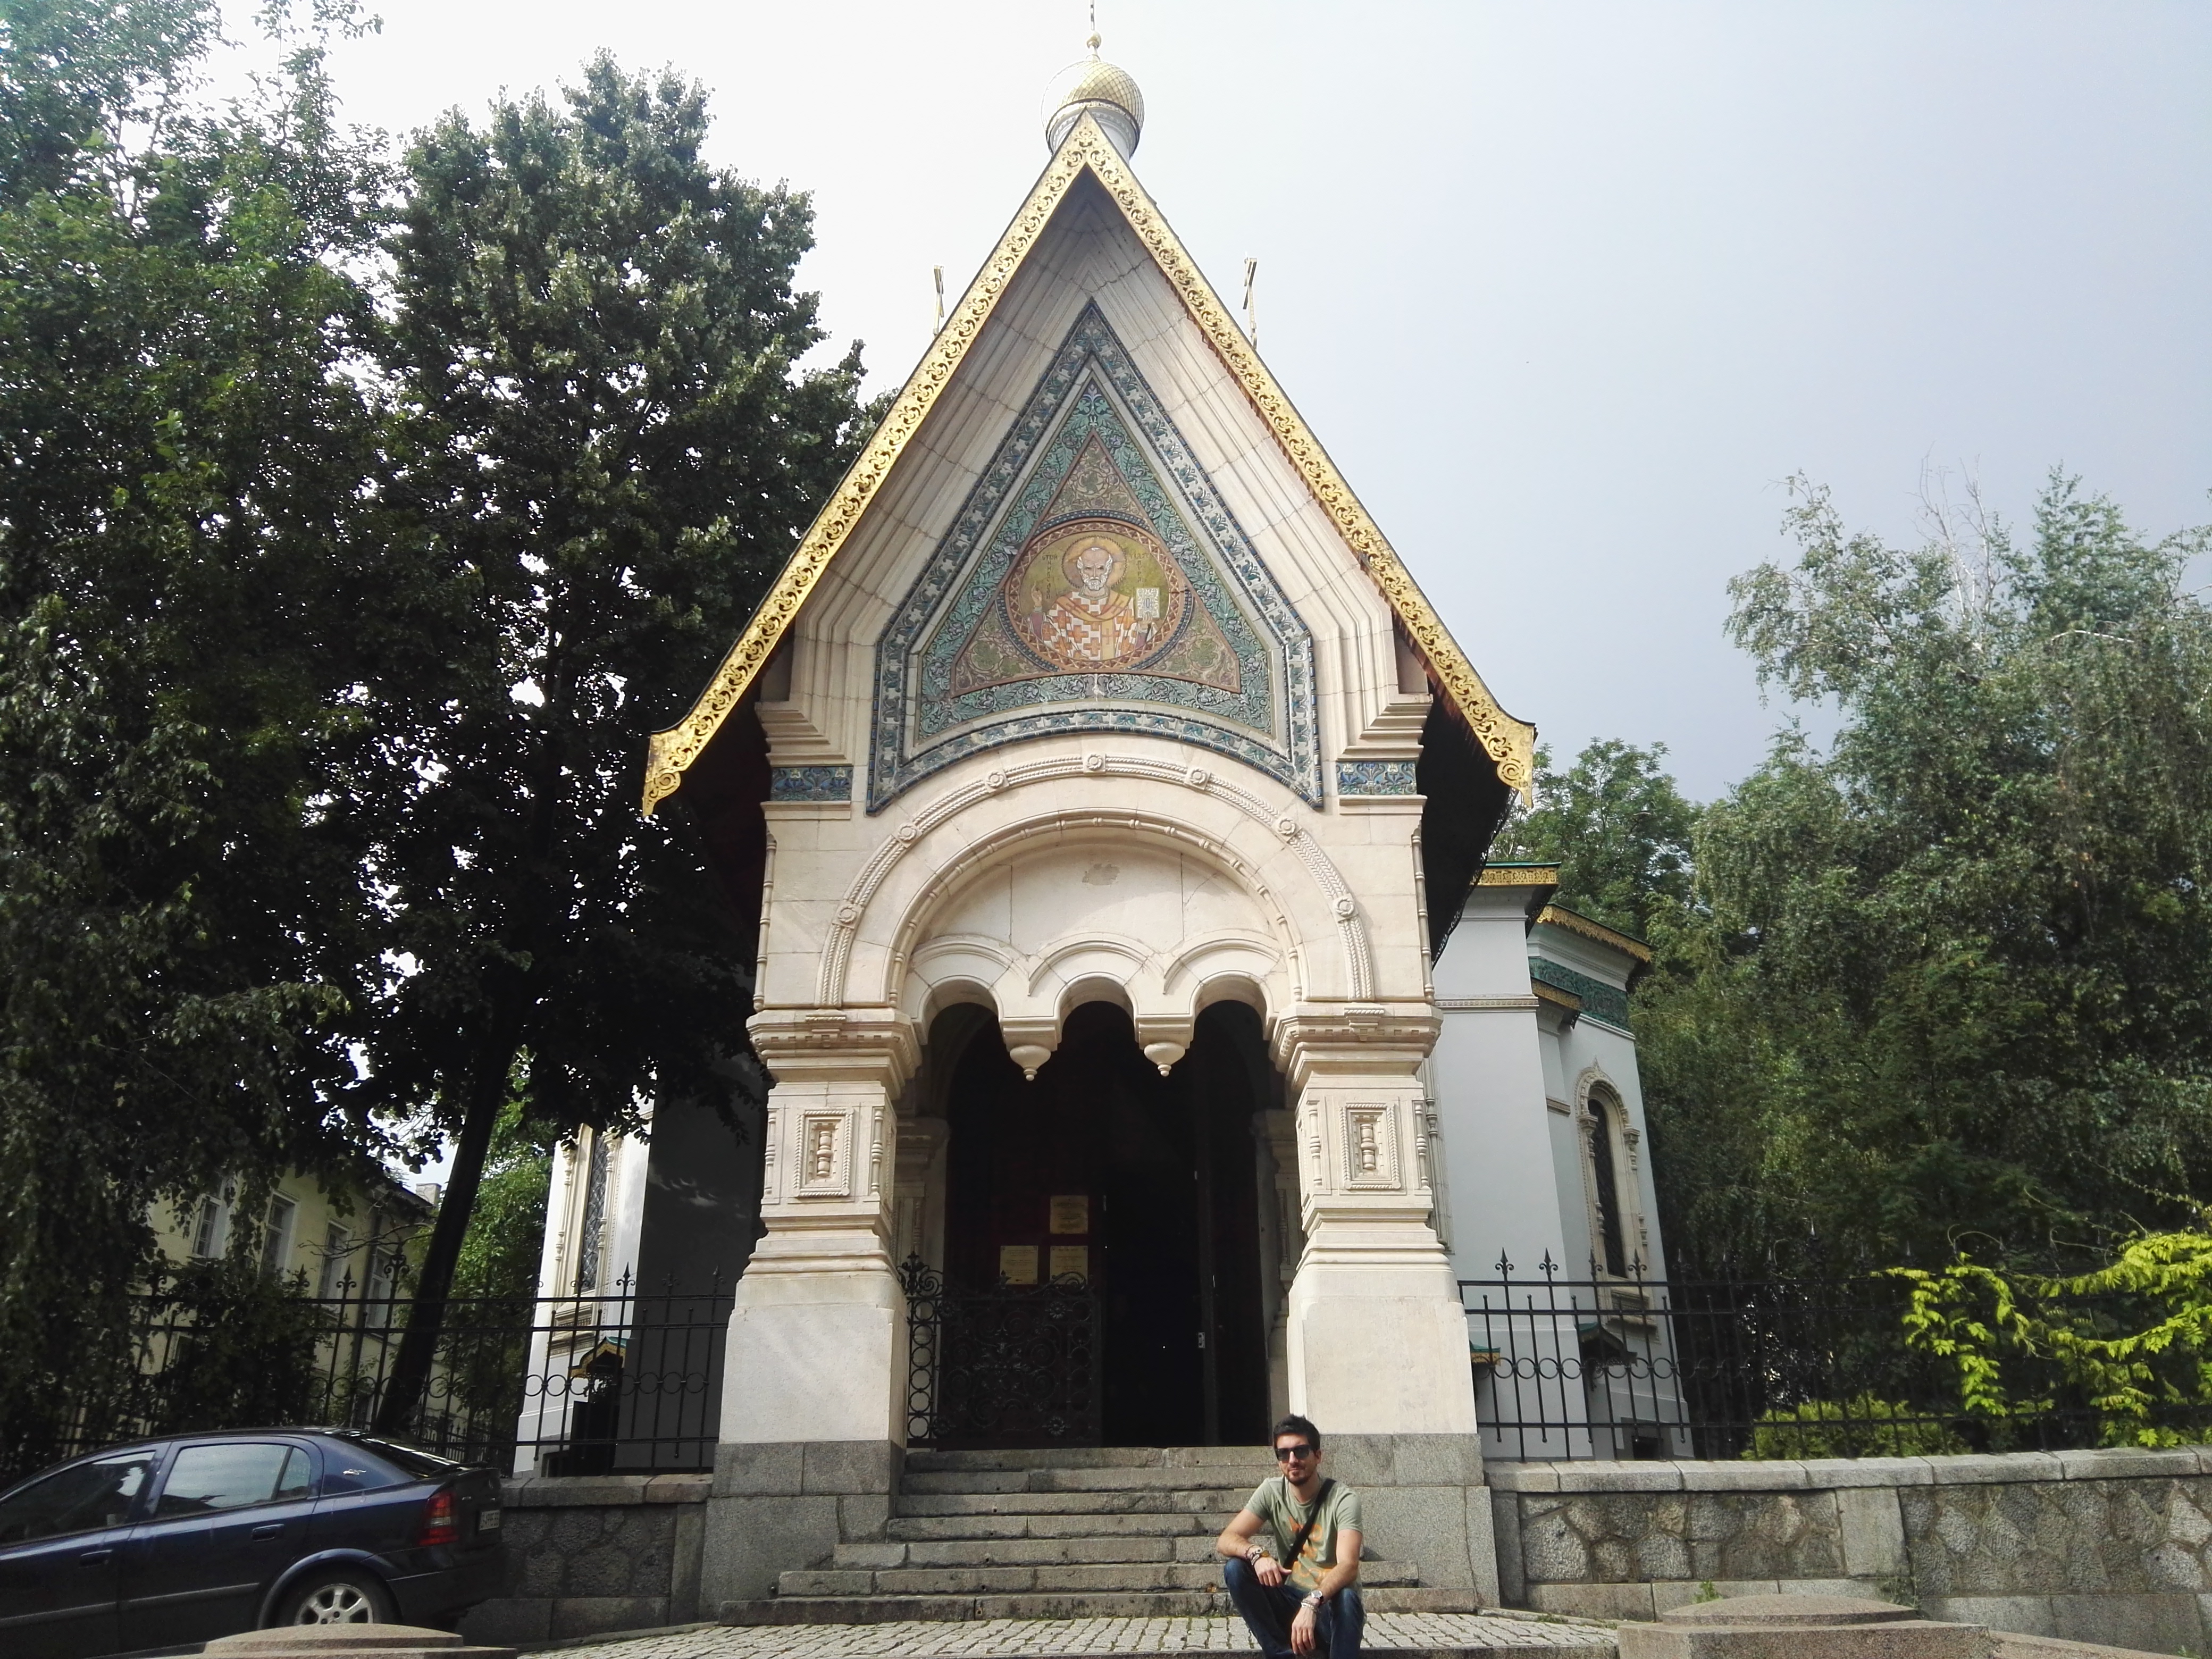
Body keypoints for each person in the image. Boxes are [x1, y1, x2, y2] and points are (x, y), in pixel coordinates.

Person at [1216, 1415, 1363, 1659]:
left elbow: (1348, 1566)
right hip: (1290, 1605)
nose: (1292, 1460)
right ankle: (1281, 1654)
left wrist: (1312, 1603)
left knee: (1347, 1598)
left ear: (1318, 1456)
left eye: (1300, 1451)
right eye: (1284, 1454)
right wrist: (1256, 1554)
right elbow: (1227, 1539)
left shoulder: (1343, 1499)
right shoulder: (1272, 1491)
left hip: (1330, 1612)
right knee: (1236, 1569)